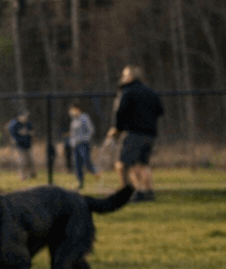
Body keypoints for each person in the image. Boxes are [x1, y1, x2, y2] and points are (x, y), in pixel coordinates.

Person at [105, 65, 163, 202]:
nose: (123, 78)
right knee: (143, 164)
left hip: (133, 133)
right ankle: (147, 192)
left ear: (130, 77)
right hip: (150, 134)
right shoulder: (151, 92)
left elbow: (120, 113)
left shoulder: (127, 92)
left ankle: (126, 193)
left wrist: (116, 129)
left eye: (124, 75)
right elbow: (160, 110)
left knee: (123, 164)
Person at [64, 102, 97, 190]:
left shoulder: (84, 117)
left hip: (83, 144)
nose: (71, 112)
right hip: (75, 145)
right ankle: (80, 183)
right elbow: (73, 132)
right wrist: (71, 139)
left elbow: (91, 130)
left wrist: (84, 139)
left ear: (77, 109)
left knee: (86, 161)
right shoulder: (74, 120)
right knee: (77, 164)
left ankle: (95, 172)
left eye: (72, 110)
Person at [6, 110, 36, 180]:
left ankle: (32, 174)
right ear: (20, 116)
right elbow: (12, 134)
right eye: (24, 115)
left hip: (27, 144)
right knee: (22, 161)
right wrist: (21, 133)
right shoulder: (14, 123)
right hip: (18, 145)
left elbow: (32, 132)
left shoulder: (28, 123)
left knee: (30, 160)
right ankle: (22, 176)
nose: (26, 117)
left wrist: (28, 133)